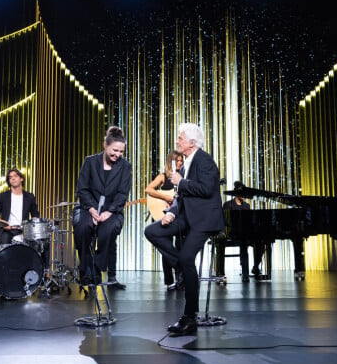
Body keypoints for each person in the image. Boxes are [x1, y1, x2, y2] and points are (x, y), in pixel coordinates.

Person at [144, 123, 224, 337]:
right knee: (152, 231)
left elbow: (207, 190)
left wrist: (182, 181)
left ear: (192, 142)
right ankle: (180, 265)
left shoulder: (204, 160)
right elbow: (181, 195)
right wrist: (171, 211)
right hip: (186, 216)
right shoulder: (187, 162)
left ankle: (190, 317)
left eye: (181, 137)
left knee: (188, 260)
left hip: (204, 220)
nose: (177, 140)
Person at [74, 126, 132, 286]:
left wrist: (109, 212)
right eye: (115, 150)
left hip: (112, 211)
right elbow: (82, 189)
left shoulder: (125, 167)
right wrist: (92, 211)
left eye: (121, 151)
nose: (118, 155)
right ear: (105, 145)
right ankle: (85, 269)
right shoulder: (90, 161)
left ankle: (96, 268)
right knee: (83, 228)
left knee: (109, 229)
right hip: (88, 207)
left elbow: (122, 194)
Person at [144, 150, 185, 290]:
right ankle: (169, 281)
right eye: (177, 161)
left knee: (180, 245)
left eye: (181, 161)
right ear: (171, 162)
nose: (180, 163)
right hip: (163, 215)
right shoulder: (163, 177)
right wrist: (166, 198)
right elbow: (148, 189)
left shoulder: (183, 177)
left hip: (179, 216)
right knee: (166, 248)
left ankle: (181, 279)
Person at [216, 190, 263, 283]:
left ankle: (255, 267)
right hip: (230, 233)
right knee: (223, 243)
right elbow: (223, 220)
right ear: (236, 194)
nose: (245, 195)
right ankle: (220, 273)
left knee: (260, 242)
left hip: (244, 234)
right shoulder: (228, 205)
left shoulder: (247, 206)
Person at [0, 168, 40, 245]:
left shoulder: (29, 197)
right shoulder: (2, 196)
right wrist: (3, 224)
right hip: (6, 231)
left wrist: (31, 227)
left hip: (23, 232)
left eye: (15, 176)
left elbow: (35, 214)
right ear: (9, 181)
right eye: (10, 177)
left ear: (21, 179)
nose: (13, 178)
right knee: (4, 250)